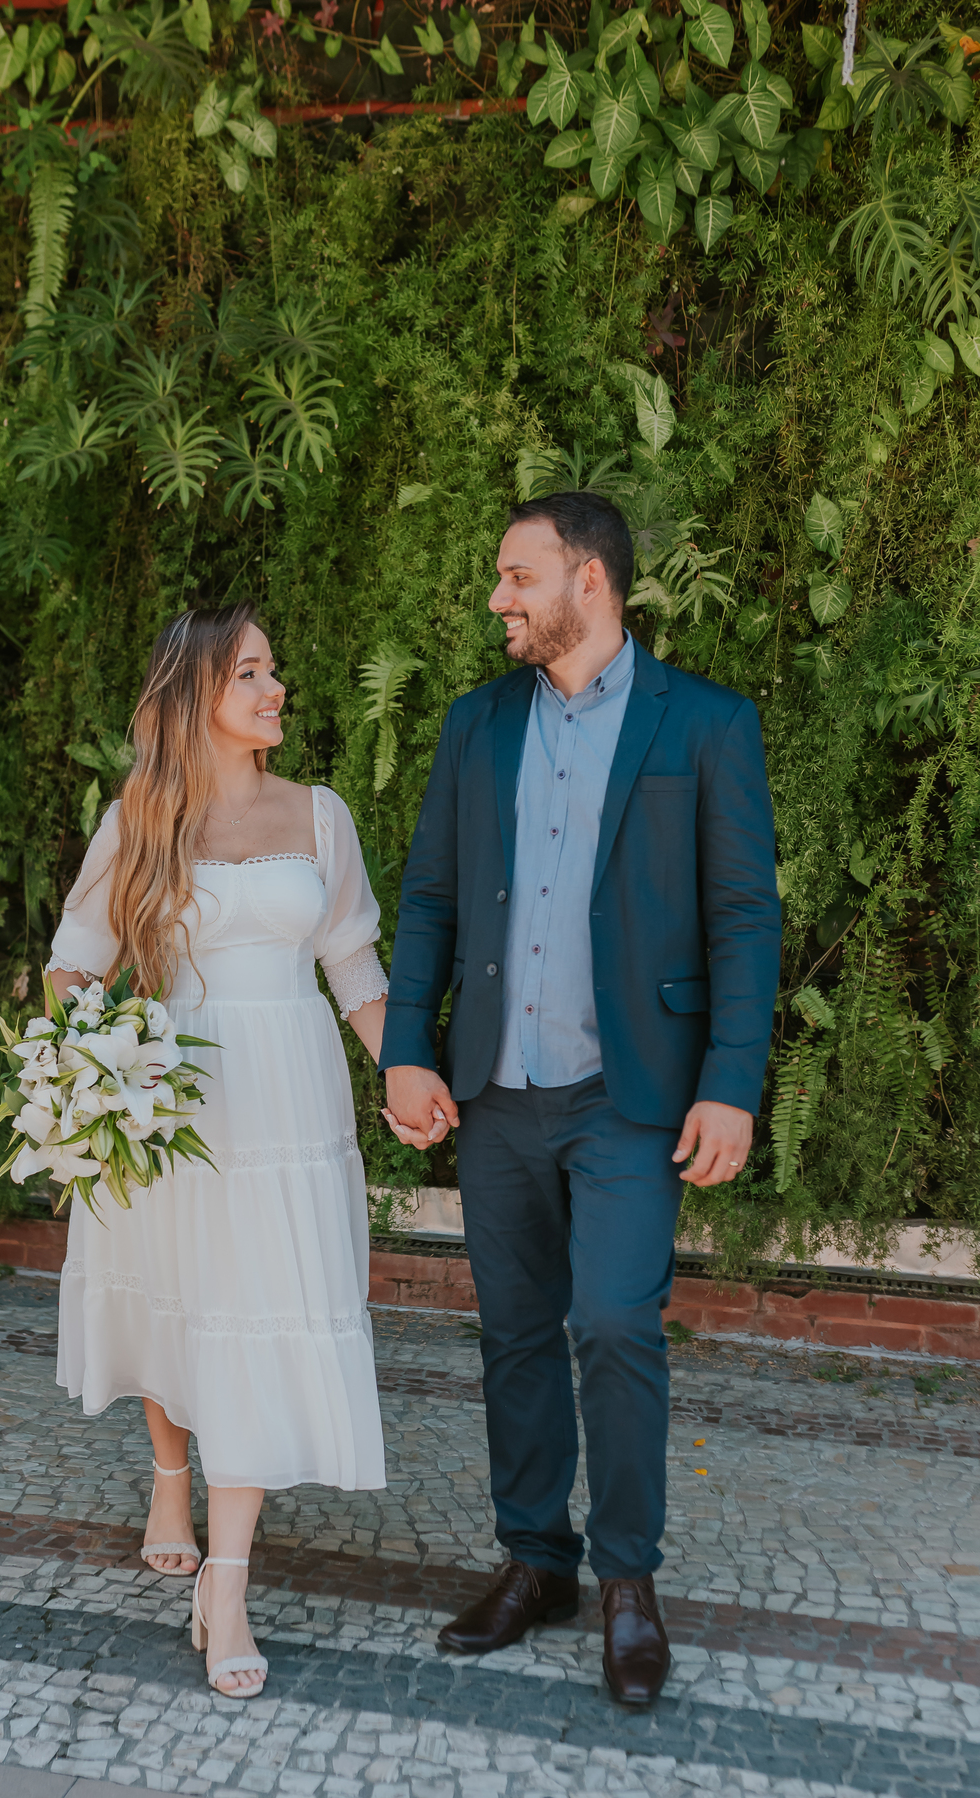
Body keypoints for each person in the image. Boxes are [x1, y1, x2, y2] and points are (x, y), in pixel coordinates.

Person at [379, 491, 781, 1705]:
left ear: (588, 581)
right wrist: (406, 1047)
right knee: (513, 1332)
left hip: (632, 1093)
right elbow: (432, 896)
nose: (497, 597)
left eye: (518, 575)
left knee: (613, 1323)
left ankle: (628, 1584)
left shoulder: (705, 724)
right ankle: (534, 1561)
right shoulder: (477, 724)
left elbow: (743, 916)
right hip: (497, 1085)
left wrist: (732, 1082)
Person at [46, 601, 389, 1699]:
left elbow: (354, 966)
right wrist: (90, 1073)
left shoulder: (321, 815)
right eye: (250, 672)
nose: (275, 687)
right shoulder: (140, 817)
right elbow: (74, 965)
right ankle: (169, 1477)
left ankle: (226, 1586)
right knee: (178, 1299)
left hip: (289, 1101)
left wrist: (409, 1076)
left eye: (273, 669)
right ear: (195, 691)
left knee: (260, 1314)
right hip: (174, 1099)